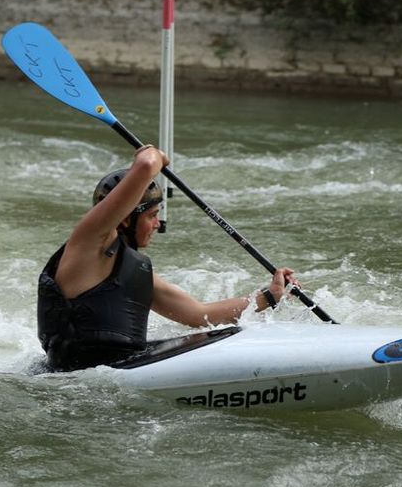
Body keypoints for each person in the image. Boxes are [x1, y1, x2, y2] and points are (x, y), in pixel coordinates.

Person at [37, 146, 297, 371]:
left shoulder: (135, 270)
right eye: (152, 215)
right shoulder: (88, 243)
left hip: (119, 368)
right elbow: (146, 164)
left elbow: (199, 315)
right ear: (126, 219)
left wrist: (269, 296)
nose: (158, 224)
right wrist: (156, 156)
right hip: (73, 377)